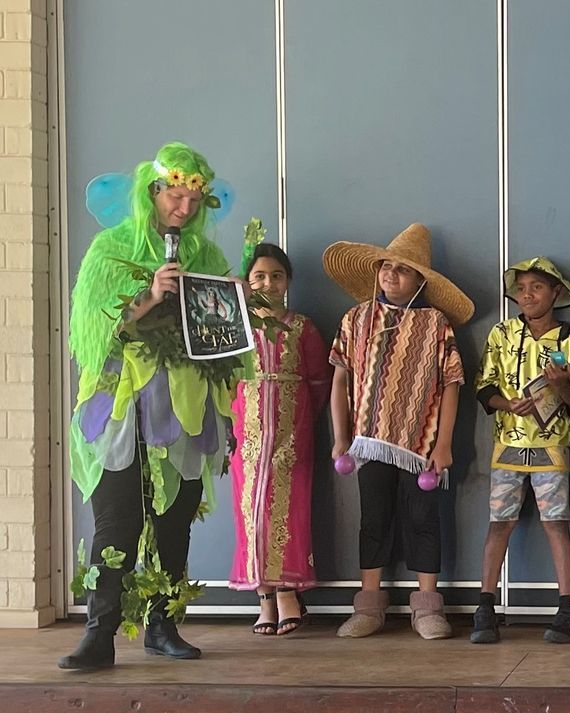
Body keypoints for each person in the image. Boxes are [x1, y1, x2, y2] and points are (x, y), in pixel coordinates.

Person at [61, 142, 239, 670]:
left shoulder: (205, 257)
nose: (184, 209)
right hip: (121, 405)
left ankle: (163, 626)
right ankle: (99, 632)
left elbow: (219, 340)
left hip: (183, 405)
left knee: (174, 517)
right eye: (175, 197)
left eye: (194, 202)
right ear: (152, 191)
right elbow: (93, 330)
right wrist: (150, 296)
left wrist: (227, 304)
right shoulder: (111, 247)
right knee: (116, 517)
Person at [325, 224, 474, 640]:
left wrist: (443, 444)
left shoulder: (435, 323)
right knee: (373, 517)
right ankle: (369, 604)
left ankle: (427, 606)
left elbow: (451, 383)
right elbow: (340, 379)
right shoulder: (356, 319)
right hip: (368, 441)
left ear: (420, 280)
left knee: (423, 517)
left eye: (402, 269)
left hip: (420, 443)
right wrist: (341, 436)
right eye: (386, 266)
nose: (391, 274)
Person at [471, 257, 570, 645]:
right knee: (499, 522)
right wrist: (507, 405)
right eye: (521, 288)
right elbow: (484, 385)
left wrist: (562, 386)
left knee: (556, 523)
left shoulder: (569, 341)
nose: (527, 295)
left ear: (556, 293)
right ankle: (485, 608)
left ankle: (566, 610)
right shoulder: (501, 333)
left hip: (551, 445)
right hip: (508, 442)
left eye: (536, 287)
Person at [229, 242, 330, 636]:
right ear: (247, 281)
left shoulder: (302, 327)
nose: (268, 283)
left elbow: (319, 382)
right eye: (259, 276)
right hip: (246, 435)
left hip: (293, 432)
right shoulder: (236, 326)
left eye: (276, 276)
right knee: (250, 511)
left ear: (288, 281)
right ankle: (265, 599)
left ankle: (289, 593)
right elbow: (223, 380)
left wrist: (300, 424)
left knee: (289, 508)